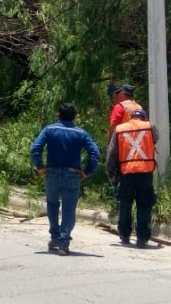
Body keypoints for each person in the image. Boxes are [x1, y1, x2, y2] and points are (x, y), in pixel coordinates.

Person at [30, 102, 101, 256]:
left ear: (58, 115)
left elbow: (35, 149)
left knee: (52, 205)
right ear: (75, 117)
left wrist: (40, 166)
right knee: (69, 208)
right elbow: (95, 153)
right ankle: (63, 242)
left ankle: (55, 237)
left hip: (52, 173)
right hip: (72, 174)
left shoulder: (49, 130)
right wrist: (87, 172)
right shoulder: (81, 133)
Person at [106, 108, 158, 248]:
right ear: (144, 117)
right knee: (144, 205)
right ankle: (142, 238)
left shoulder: (120, 129)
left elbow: (111, 152)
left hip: (126, 173)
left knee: (125, 204)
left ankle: (124, 235)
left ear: (131, 118)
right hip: (145, 172)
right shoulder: (149, 126)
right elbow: (156, 138)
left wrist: (110, 171)